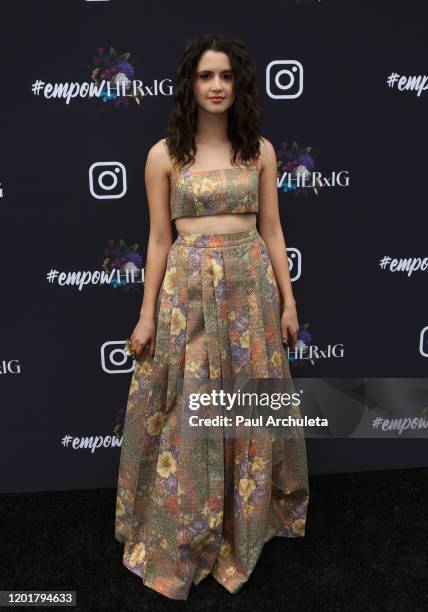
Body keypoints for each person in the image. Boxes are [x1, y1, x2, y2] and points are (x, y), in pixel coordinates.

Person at [115, 33, 309, 600]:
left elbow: (272, 229)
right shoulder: (163, 155)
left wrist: (289, 300)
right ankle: (188, 528)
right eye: (206, 76)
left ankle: (245, 522)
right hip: (188, 295)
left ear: (238, 84)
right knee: (191, 409)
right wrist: (146, 314)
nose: (217, 86)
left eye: (226, 76)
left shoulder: (261, 151)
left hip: (251, 291)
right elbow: (156, 240)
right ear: (191, 86)